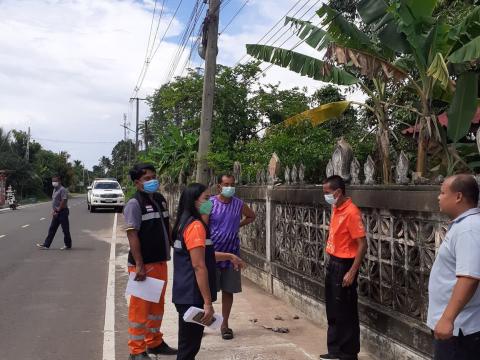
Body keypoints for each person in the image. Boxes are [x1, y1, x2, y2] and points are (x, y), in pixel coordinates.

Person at [123, 163, 177, 360]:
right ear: (137, 182)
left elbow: (166, 226)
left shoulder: (160, 200)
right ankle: (136, 351)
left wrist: (174, 245)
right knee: (140, 309)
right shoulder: (134, 204)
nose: (153, 180)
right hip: (143, 266)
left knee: (156, 308)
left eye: (154, 177)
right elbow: (132, 235)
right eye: (147, 178)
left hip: (160, 262)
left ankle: (154, 342)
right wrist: (139, 265)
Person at [427, 174, 480, 360]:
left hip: (460, 329)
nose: (438, 197)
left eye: (442, 192)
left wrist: (448, 319)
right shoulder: (464, 226)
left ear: (458, 197)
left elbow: (469, 277)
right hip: (457, 327)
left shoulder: (469, 229)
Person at [320, 175, 367, 360]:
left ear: (338, 192)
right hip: (333, 261)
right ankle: (334, 350)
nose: (326, 196)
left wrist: (352, 271)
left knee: (345, 310)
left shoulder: (351, 212)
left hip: (345, 265)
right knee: (333, 309)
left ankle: (348, 353)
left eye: (327, 193)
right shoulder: (336, 207)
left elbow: (362, 244)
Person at [208, 174, 255, 340]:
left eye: (232, 184)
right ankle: (204, 321)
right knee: (206, 291)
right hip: (212, 253)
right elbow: (200, 222)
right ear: (219, 186)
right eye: (226, 184)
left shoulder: (239, 204)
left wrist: (238, 225)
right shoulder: (209, 203)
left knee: (228, 290)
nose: (230, 187)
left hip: (232, 254)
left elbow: (252, 216)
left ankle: (225, 324)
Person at [37, 175, 72, 250]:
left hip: (62, 212)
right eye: (53, 181)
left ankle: (68, 245)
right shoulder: (54, 189)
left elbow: (64, 201)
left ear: (59, 181)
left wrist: (58, 210)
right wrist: (54, 211)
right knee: (52, 228)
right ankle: (46, 245)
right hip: (56, 212)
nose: (54, 182)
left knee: (65, 229)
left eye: (55, 181)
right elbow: (55, 201)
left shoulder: (62, 189)